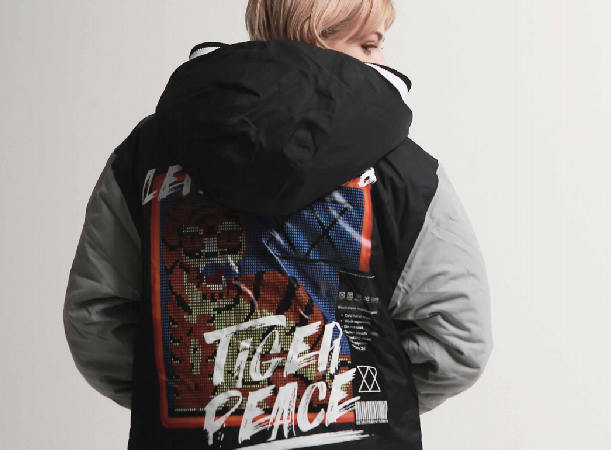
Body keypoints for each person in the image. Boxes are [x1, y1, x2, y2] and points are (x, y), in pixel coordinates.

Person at [63, 0, 493, 448]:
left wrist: (193, 397)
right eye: (368, 45)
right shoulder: (407, 171)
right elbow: (458, 339)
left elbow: (96, 320)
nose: (382, 60)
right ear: (317, 34)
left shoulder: (144, 156)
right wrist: (371, 404)